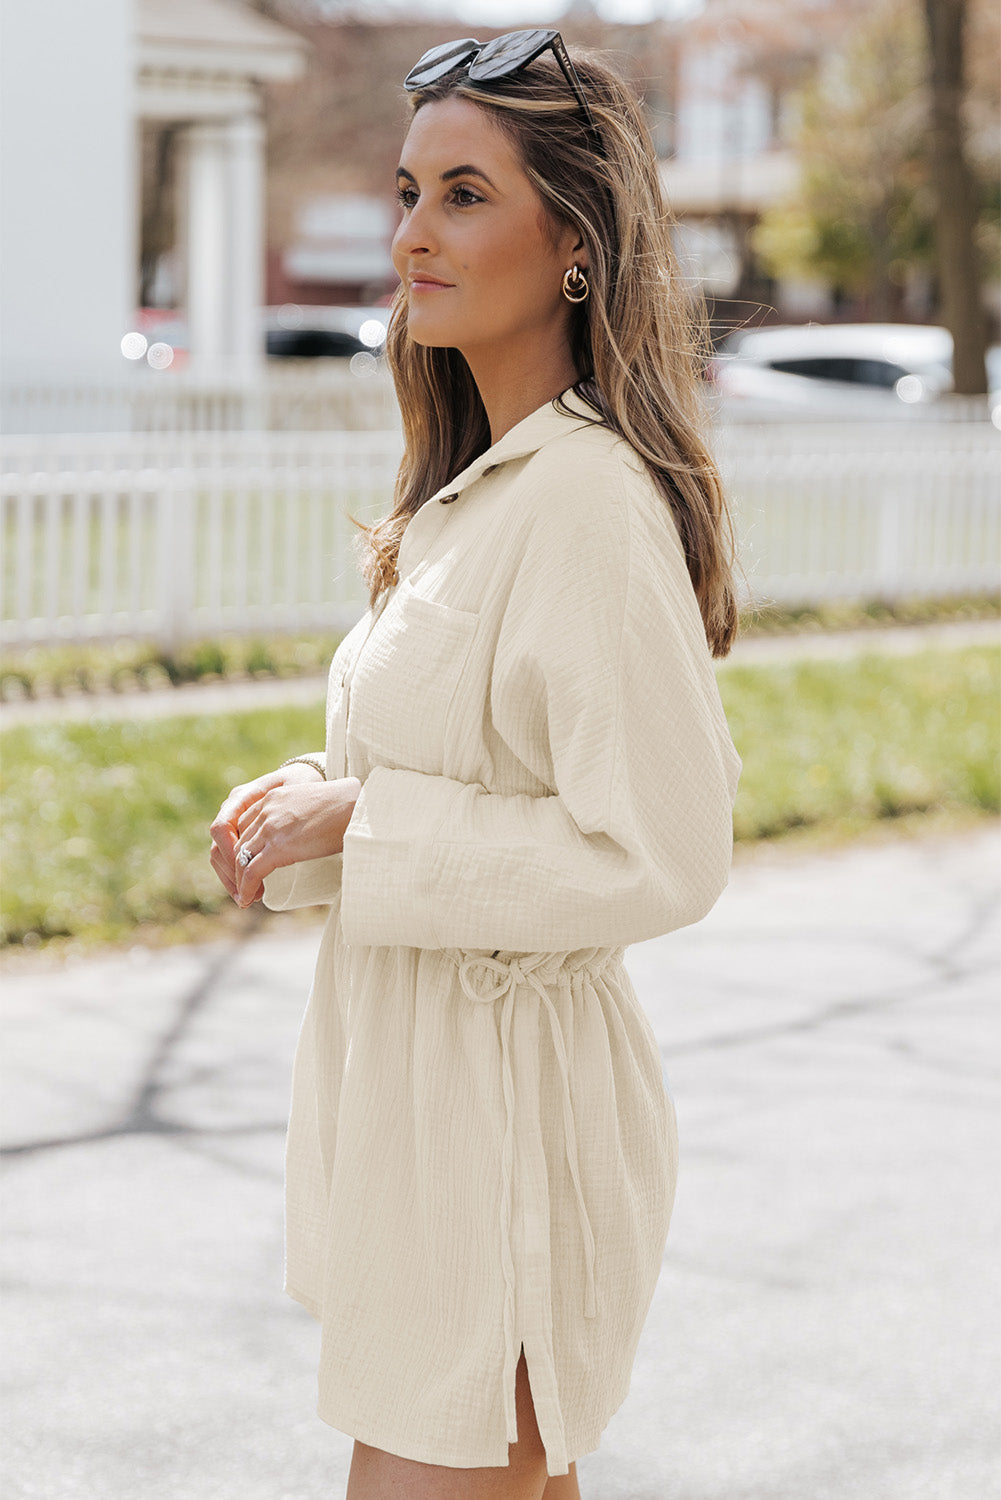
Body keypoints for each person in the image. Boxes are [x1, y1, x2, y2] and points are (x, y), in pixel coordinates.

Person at [209, 29, 741, 1500]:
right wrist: (312, 803)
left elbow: (659, 853)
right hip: (423, 1120)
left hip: (511, 1140)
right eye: (405, 192)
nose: (409, 236)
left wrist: (364, 825)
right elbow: (470, 767)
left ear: (572, 240)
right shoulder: (474, 496)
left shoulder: (584, 502)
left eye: (460, 195)